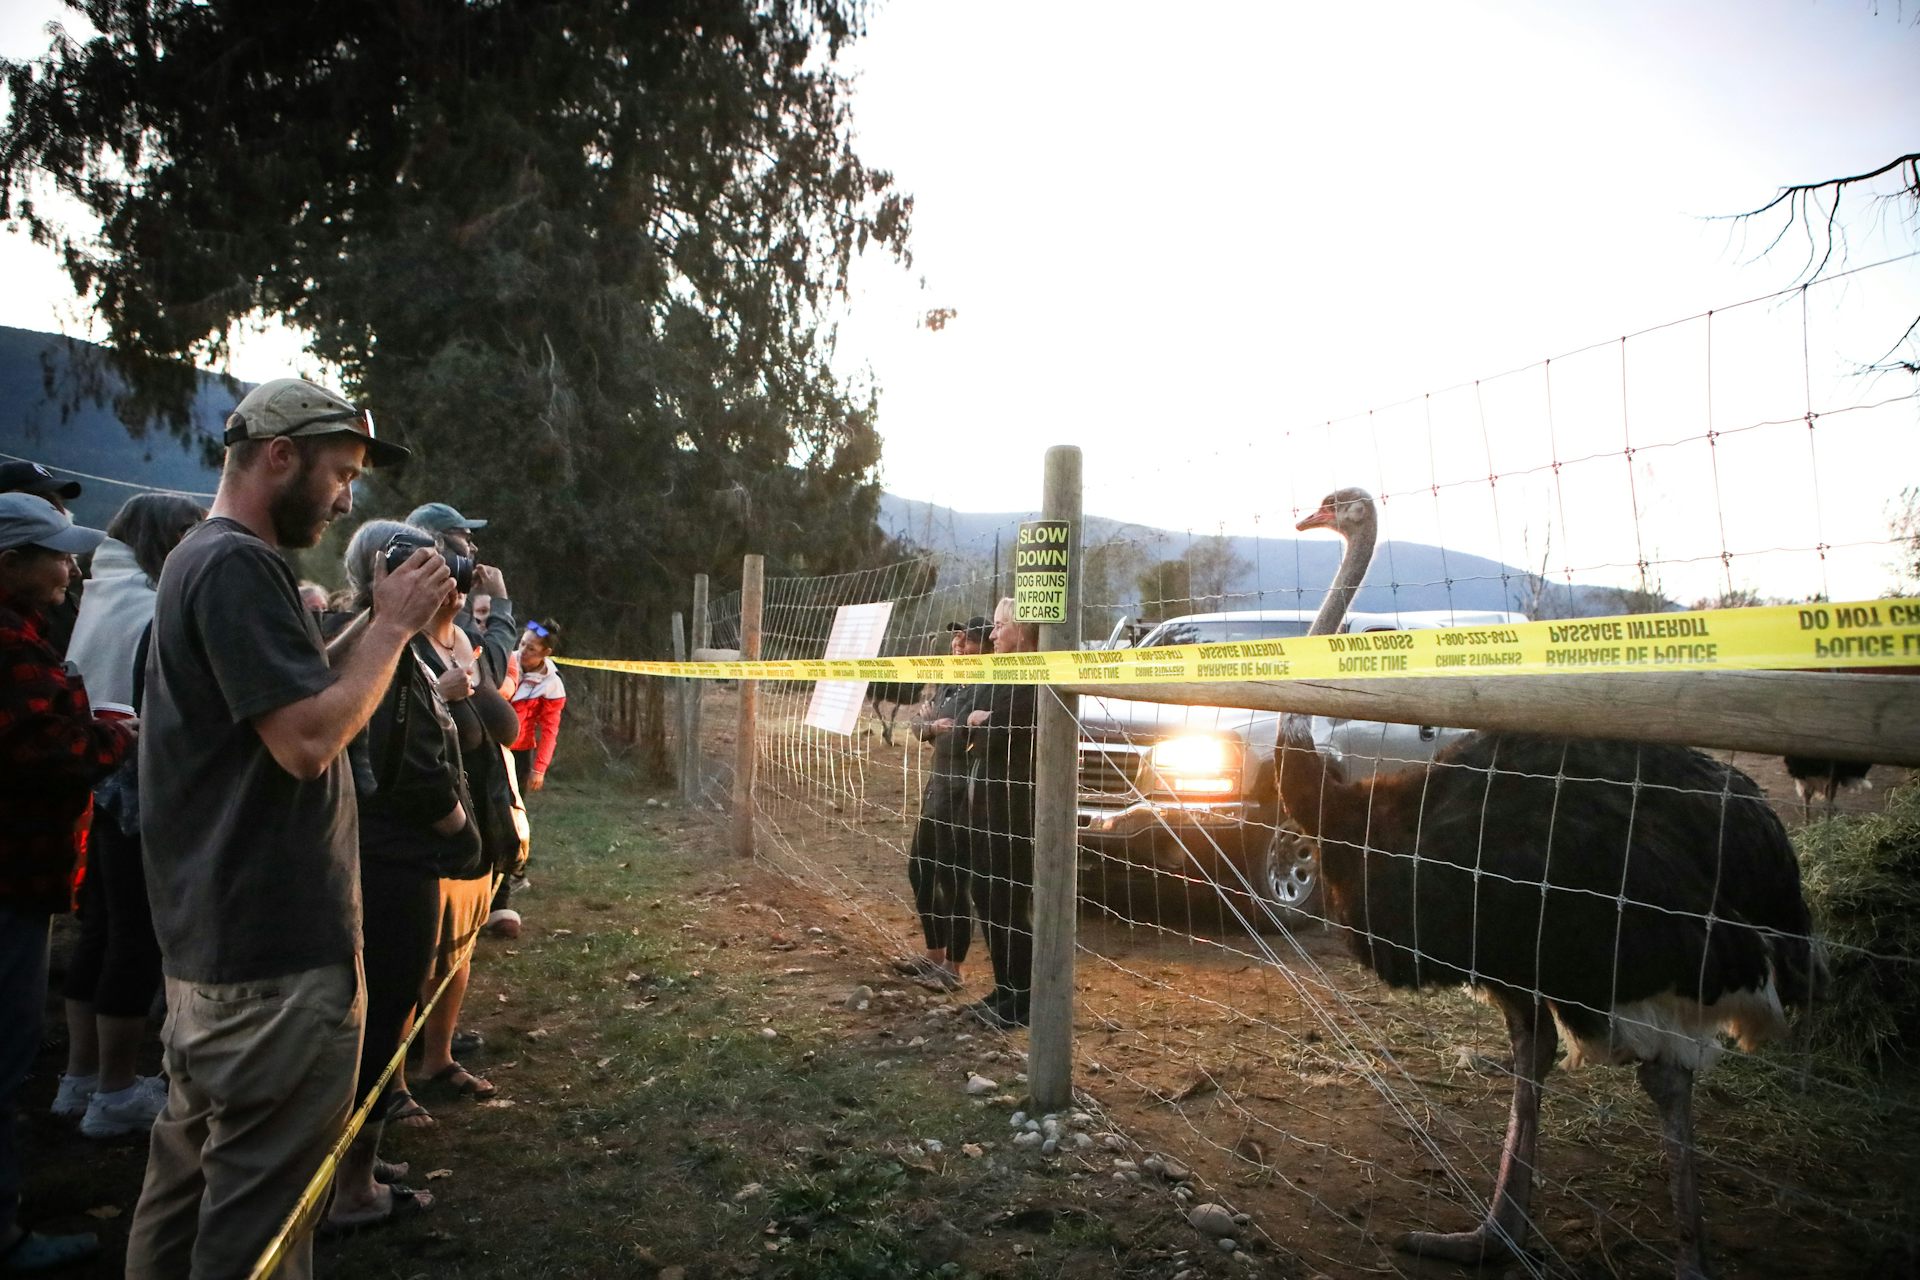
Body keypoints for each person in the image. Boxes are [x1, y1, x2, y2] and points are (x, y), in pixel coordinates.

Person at [126, 377, 451, 1280]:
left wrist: (377, 628)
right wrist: (390, 629)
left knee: (184, 1192)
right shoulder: (237, 565)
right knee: (261, 1223)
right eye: (341, 473)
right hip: (272, 959)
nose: (349, 496)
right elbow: (308, 740)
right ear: (280, 457)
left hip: (218, 946)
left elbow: (298, 691)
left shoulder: (209, 557)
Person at [320, 519, 485, 1227]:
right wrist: (461, 831)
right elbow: (410, 762)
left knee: (376, 1017)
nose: (447, 578)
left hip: (379, 852)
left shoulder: (377, 642)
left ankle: (350, 1160)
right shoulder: (378, 649)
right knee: (385, 1015)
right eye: (430, 566)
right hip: (394, 858)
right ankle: (352, 1187)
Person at [0, 494, 134, 1276]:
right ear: (10, 562)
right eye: (53, 554)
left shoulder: (31, 634)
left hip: (25, 875)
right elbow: (40, 749)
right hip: (12, 876)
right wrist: (116, 738)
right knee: (5, 1058)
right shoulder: (9, 645)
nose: (68, 566)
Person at [57, 493, 205, 1141]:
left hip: (99, 778)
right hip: (139, 780)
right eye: (187, 535)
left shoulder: (101, 595)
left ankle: (79, 1075)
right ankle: (115, 1090)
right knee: (136, 937)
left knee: (101, 929)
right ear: (164, 538)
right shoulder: (148, 605)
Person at [894, 617, 991, 993]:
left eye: (965, 641)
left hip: (963, 798)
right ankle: (933, 955)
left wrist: (954, 726)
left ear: (983, 647)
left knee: (954, 881)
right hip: (937, 792)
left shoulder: (987, 684)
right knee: (920, 871)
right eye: (956, 639)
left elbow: (972, 731)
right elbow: (919, 726)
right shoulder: (950, 680)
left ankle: (954, 968)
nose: (957, 645)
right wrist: (934, 727)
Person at [962, 599, 1040, 1030]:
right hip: (987, 799)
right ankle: (1003, 989)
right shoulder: (1000, 675)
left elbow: (1004, 732)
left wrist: (984, 722)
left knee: (1009, 900)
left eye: (998, 627)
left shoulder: (1033, 678)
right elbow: (975, 721)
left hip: (1015, 805)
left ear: (1022, 631)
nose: (991, 636)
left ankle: (1023, 997)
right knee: (986, 894)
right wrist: (983, 721)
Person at [0, 461, 84, 658]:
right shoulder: (11, 634)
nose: (54, 509)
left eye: (55, 500)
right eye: (41, 500)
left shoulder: (50, 593)